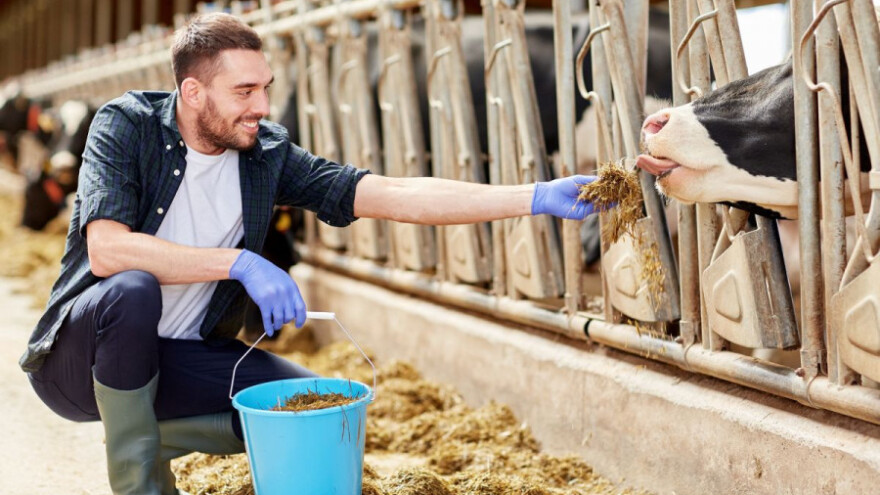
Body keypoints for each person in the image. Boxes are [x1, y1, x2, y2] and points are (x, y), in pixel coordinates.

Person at [20, 12, 601, 495]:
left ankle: (147, 441)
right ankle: (138, 482)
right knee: (133, 289)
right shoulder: (125, 126)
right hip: (81, 360)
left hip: (177, 358)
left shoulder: (265, 154)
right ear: (191, 92)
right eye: (244, 91)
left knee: (313, 416)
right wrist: (240, 263)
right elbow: (109, 250)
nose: (263, 106)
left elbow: (390, 192)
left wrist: (533, 196)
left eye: (266, 86)